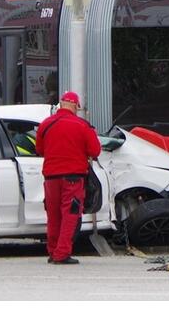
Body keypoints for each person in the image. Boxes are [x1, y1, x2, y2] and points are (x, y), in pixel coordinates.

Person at [34, 90, 102, 265]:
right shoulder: (82, 125)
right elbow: (95, 151)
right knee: (70, 215)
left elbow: (40, 150)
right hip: (73, 178)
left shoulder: (45, 124)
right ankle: (62, 254)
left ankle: (52, 251)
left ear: (61, 104)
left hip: (50, 177)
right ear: (76, 106)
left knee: (53, 215)